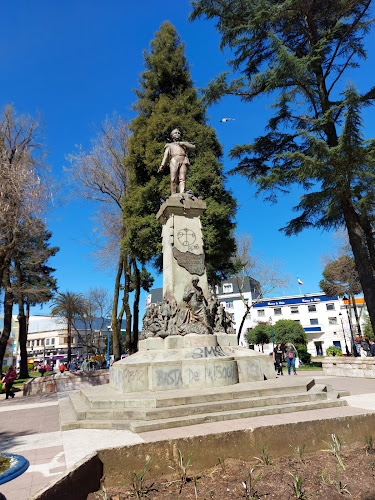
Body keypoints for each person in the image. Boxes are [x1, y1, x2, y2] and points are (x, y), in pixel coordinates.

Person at [158, 128, 196, 194]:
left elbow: (193, 148)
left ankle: (182, 193)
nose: (177, 134)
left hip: (184, 160)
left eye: (179, 133)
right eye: (175, 133)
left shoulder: (184, 144)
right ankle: (173, 194)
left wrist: (183, 143)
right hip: (174, 160)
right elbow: (166, 156)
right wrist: (162, 166)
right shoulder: (169, 145)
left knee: (182, 179)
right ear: (172, 136)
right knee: (173, 179)